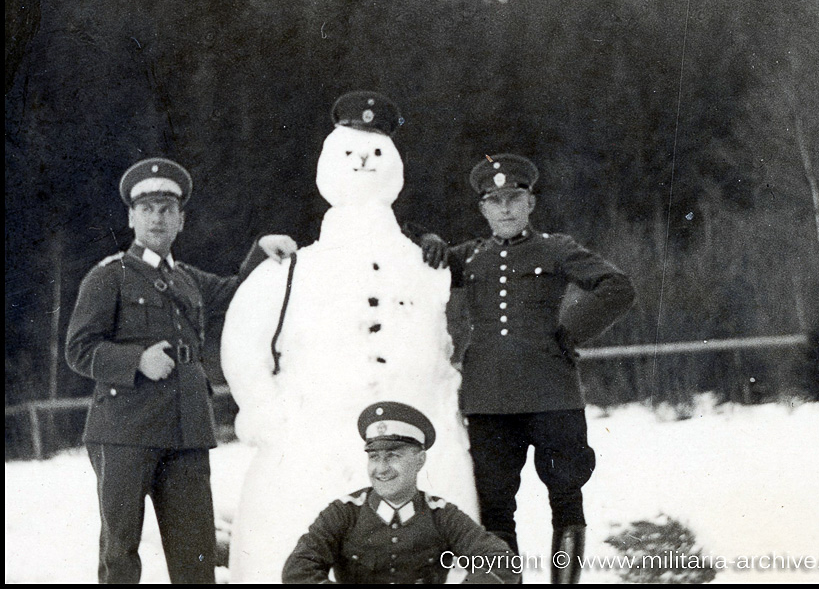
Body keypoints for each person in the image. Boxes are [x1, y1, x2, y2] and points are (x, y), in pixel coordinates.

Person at [65, 157, 298, 584]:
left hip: (186, 431)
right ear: (132, 217)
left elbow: (235, 290)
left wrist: (260, 250)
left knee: (195, 556)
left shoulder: (187, 279)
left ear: (181, 220)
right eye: (148, 208)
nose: (158, 217)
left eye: (167, 209)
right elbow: (79, 349)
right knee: (120, 554)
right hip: (124, 431)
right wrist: (136, 361)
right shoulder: (108, 276)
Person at [418, 154, 636, 584]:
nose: (505, 208)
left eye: (514, 198)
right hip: (488, 400)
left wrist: (569, 331)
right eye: (494, 200)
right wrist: (426, 239)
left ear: (530, 203)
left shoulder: (557, 248)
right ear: (482, 209)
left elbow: (617, 287)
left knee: (566, 495)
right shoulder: (470, 257)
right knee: (495, 505)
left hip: (551, 393)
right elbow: (407, 260)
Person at [282, 401, 519, 584]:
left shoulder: (442, 516)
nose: (382, 469)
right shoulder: (343, 513)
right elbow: (298, 569)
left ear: (419, 460)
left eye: (394, 456)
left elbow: (502, 562)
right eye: (374, 457)